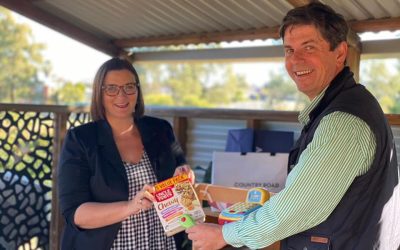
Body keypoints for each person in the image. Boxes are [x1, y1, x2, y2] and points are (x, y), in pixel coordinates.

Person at [187, 2, 399, 250]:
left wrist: (225, 235)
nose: (296, 60)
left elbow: (297, 208)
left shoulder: (342, 122)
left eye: (308, 47)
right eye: (289, 50)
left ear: (340, 52)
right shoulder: (341, 105)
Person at [57, 57, 194, 250]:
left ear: (137, 90)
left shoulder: (161, 129)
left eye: (129, 87)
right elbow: (75, 214)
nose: (122, 96)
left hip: (162, 243)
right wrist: (131, 206)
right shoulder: (80, 139)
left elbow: (181, 169)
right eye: (112, 88)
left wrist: (184, 175)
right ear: (99, 93)